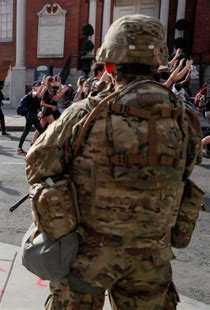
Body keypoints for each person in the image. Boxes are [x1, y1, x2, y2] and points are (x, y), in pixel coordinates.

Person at [25, 15, 202, 309]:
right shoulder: (185, 118)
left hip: (87, 256)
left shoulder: (84, 113)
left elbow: (37, 166)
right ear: (159, 62)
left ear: (108, 65)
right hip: (151, 258)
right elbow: (185, 169)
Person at [17, 81, 43, 156]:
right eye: (37, 86)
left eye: (39, 85)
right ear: (33, 87)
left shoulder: (38, 93)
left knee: (41, 130)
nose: (39, 87)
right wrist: (43, 85)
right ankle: (19, 149)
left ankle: (41, 147)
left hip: (34, 114)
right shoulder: (33, 92)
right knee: (26, 131)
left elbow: (38, 100)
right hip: (30, 114)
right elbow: (37, 94)